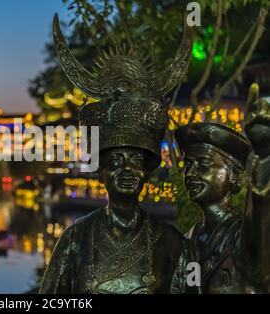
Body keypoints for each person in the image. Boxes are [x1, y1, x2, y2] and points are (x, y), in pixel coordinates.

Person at [39, 14, 194, 294]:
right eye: (115, 161)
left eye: (135, 160)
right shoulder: (75, 238)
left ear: (147, 169)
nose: (126, 170)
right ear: (100, 171)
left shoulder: (170, 241)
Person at [171, 84, 270, 293]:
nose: (190, 173)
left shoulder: (244, 237)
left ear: (234, 177)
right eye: (187, 165)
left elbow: (260, 210)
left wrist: (263, 154)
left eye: (204, 164)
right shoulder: (189, 243)